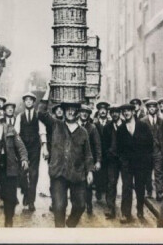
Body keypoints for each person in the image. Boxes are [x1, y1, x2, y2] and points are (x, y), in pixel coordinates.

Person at [38, 84, 94, 228]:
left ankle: (70, 224)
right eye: (67, 109)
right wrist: (48, 91)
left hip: (77, 174)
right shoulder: (56, 125)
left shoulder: (83, 132)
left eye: (73, 109)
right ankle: (60, 234)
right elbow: (41, 113)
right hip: (58, 174)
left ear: (77, 111)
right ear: (63, 111)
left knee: (81, 205)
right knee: (59, 206)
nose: (70, 112)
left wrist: (90, 171)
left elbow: (88, 154)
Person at [117, 103, 154, 224]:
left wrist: (147, 162)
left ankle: (140, 211)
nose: (126, 113)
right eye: (124, 111)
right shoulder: (121, 129)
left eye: (128, 111)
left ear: (133, 112)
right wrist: (123, 161)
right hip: (127, 164)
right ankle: (125, 213)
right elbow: (119, 148)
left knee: (140, 187)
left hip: (141, 163)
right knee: (126, 187)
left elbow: (150, 145)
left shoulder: (143, 126)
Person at [14, 92, 48, 212]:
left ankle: (31, 201)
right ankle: (26, 193)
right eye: (26, 100)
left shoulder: (38, 116)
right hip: (23, 148)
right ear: (24, 102)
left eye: (31, 100)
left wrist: (44, 148)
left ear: (34, 102)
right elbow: (16, 134)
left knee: (33, 175)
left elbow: (42, 132)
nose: (28, 102)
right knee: (22, 174)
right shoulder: (19, 117)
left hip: (34, 148)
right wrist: (17, 149)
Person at [77, 104, 102, 215]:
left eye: (86, 112)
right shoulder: (74, 125)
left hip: (88, 160)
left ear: (89, 115)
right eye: (82, 112)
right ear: (79, 113)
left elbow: (97, 145)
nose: (84, 114)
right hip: (76, 160)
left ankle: (89, 204)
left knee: (88, 184)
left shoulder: (92, 128)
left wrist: (98, 161)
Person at [102, 104, 123, 219]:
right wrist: (109, 154)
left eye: (116, 112)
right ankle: (111, 208)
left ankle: (125, 211)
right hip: (112, 161)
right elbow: (104, 145)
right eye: (112, 112)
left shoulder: (125, 126)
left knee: (127, 184)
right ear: (110, 114)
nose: (114, 114)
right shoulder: (107, 127)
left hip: (124, 160)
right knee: (111, 183)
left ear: (119, 113)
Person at [142, 99, 163, 201]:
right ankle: (149, 190)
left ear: (156, 108)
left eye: (154, 107)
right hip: (146, 151)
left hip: (158, 150)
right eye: (150, 107)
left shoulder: (161, 121)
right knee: (147, 171)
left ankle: (159, 192)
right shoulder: (143, 121)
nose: (152, 109)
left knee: (158, 171)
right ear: (147, 109)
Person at [94, 100, 110, 200]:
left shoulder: (110, 123)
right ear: (98, 111)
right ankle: (98, 190)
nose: (103, 111)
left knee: (107, 172)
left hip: (107, 153)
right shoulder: (94, 124)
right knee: (98, 173)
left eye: (105, 110)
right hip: (97, 152)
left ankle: (106, 190)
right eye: (101, 110)